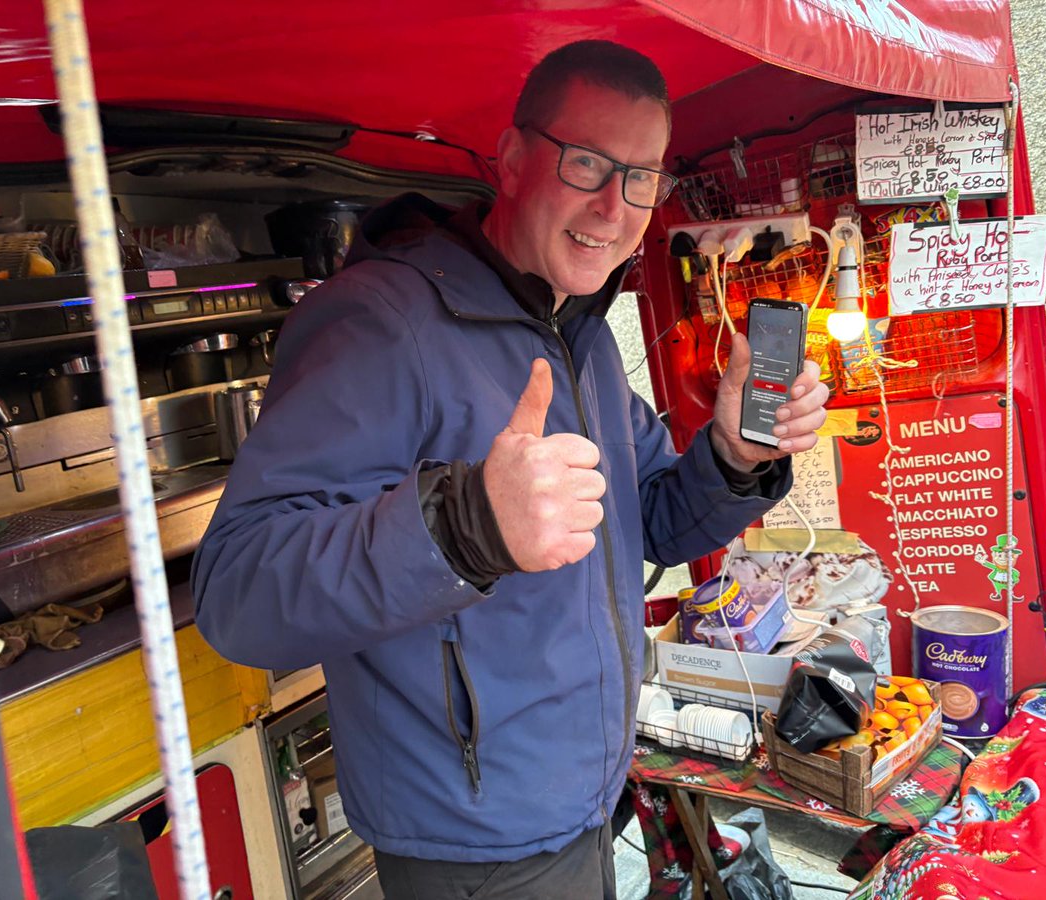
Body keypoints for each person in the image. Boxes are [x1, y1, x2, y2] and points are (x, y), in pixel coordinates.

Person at [192, 40, 828, 899]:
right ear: (514, 160)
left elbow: (656, 520)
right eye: (588, 164)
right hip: (474, 846)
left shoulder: (579, 332)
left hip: (585, 800)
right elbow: (237, 593)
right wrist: (466, 526)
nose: (615, 206)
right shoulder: (380, 323)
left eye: (642, 178)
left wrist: (732, 457)